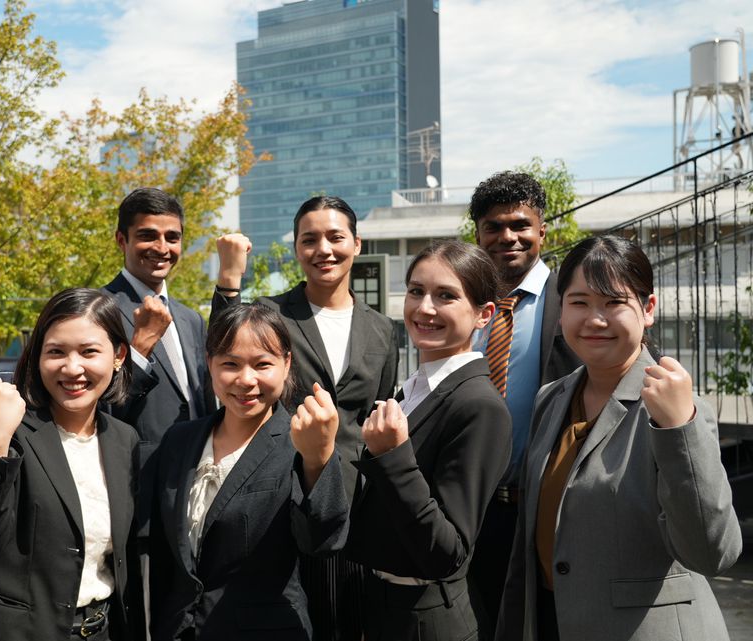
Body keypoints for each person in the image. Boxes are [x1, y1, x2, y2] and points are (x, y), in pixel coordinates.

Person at [496, 236, 742, 641]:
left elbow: (713, 553)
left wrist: (678, 428)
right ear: (561, 310)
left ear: (648, 309)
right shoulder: (551, 398)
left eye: (614, 302)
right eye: (579, 302)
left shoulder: (676, 408)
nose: (595, 320)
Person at [212, 195, 399, 640]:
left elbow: (376, 415)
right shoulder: (272, 313)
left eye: (335, 237)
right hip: (281, 501)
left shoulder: (381, 328)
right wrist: (229, 281)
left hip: (354, 510)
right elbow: (223, 354)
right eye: (309, 239)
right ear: (296, 248)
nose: (323, 249)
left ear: (356, 244)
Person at [147, 303, 349, 641]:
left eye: (262, 364)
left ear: (286, 364)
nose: (246, 380)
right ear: (209, 363)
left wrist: (318, 459)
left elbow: (322, 541)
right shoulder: (179, 441)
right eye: (230, 364)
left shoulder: (300, 443)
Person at [345, 240, 512, 641]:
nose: (424, 308)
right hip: (380, 605)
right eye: (416, 291)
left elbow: (447, 552)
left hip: (427, 619)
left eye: (446, 296)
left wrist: (392, 456)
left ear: (484, 314)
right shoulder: (415, 389)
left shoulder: (479, 406)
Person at [0, 288, 142, 641]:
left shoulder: (124, 439)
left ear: (118, 356)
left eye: (89, 351)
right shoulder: (9, 427)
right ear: (37, 356)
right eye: (56, 351)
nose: (72, 368)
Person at [467, 171, 580, 633]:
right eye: (493, 227)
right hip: (472, 511)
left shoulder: (572, 300)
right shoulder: (464, 306)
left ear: (542, 231)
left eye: (520, 225)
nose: (507, 237)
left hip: (546, 510)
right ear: (478, 235)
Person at [102, 187, 215, 445]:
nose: (162, 248)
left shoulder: (192, 319)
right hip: (138, 464)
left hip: (197, 458)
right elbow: (99, 408)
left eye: (172, 238)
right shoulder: (99, 311)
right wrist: (139, 350)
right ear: (121, 240)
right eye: (148, 236)